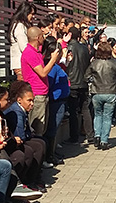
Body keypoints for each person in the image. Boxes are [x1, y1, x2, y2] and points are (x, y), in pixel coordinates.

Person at [3, 81, 51, 189]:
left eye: (33, 101)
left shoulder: (22, 110)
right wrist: (29, 136)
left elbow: (27, 131)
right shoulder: (17, 112)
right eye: (29, 100)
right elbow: (21, 135)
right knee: (37, 147)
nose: (32, 104)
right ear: (19, 100)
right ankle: (29, 180)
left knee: (42, 141)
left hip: (21, 138)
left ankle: (36, 177)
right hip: (15, 141)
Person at [21, 26, 60, 137]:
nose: (44, 38)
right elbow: (42, 73)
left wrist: (54, 38)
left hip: (42, 93)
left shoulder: (36, 51)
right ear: (38, 38)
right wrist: (53, 59)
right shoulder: (30, 53)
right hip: (37, 94)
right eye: (42, 36)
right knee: (38, 128)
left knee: (43, 127)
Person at [85, 42, 116, 150]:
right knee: (107, 117)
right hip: (111, 92)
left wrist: (93, 80)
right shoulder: (115, 63)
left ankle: (97, 135)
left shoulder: (94, 63)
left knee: (98, 115)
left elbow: (86, 77)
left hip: (97, 91)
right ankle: (104, 141)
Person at [42, 36, 69, 164]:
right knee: (51, 128)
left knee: (54, 128)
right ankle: (49, 155)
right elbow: (50, 83)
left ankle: (52, 152)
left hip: (60, 101)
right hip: (55, 102)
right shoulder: (52, 68)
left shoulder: (56, 66)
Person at [65, 27, 93, 144]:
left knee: (73, 111)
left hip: (72, 82)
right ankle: (90, 135)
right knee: (85, 109)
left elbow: (67, 64)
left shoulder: (68, 48)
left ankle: (74, 137)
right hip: (83, 81)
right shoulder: (85, 49)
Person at [7, 1, 36, 81]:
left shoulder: (21, 25)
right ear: (25, 13)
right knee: (23, 89)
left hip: (22, 63)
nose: (33, 17)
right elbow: (24, 47)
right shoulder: (19, 26)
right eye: (32, 14)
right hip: (21, 64)